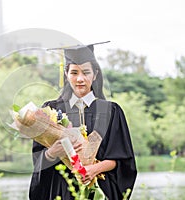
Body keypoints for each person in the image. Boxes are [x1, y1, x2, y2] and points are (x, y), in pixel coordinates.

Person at [28, 42, 137, 200]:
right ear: (66, 74)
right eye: (74, 73)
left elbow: (123, 161)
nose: (80, 79)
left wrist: (94, 169)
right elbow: (38, 160)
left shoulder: (111, 111)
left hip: (100, 189)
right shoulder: (50, 111)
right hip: (62, 190)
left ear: (95, 74)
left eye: (86, 72)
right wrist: (53, 152)